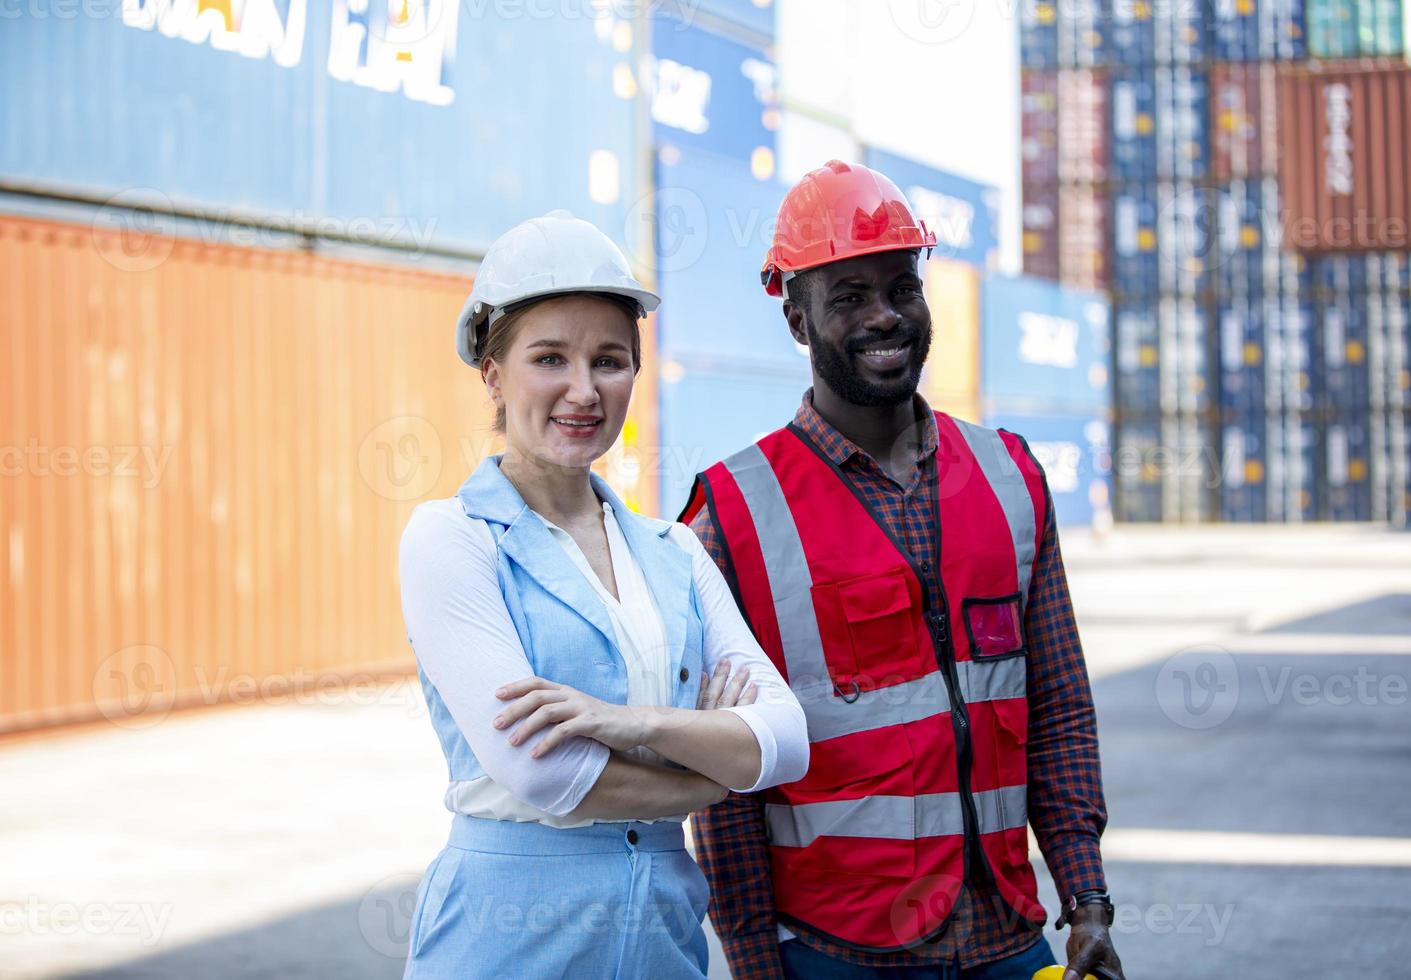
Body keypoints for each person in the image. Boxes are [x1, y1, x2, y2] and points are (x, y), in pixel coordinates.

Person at [680, 162, 1126, 980]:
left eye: (901, 288)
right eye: (848, 296)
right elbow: (726, 779)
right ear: (797, 319)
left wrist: (1087, 903)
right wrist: (753, 962)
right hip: (836, 955)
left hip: (1009, 940)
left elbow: (1058, 707)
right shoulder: (731, 517)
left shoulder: (1010, 477)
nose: (885, 316)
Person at [397, 211, 809, 979]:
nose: (583, 391)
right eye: (550, 357)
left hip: (662, 939)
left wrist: (632, 723)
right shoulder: (452, 540)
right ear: (492, 373)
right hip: (504, 939)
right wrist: (710, 772)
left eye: (610, 361)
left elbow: (785, 740)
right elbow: (542, 773)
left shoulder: (674, 551)